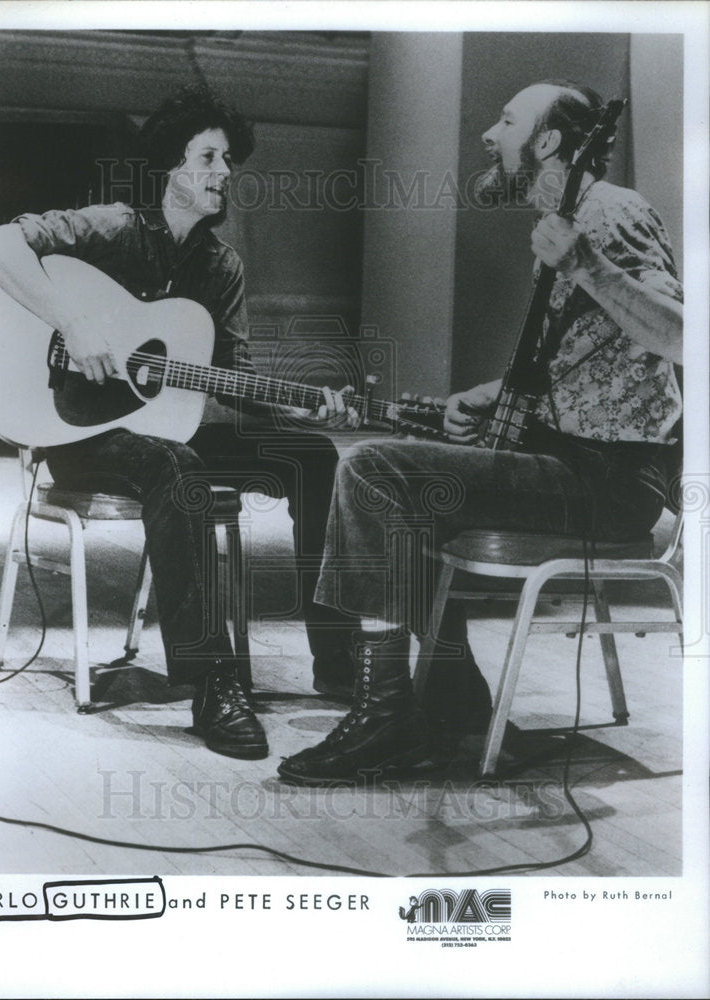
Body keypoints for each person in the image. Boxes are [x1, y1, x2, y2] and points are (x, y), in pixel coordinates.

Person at [277, 79, 683, 785]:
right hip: (568, 462)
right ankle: (450, 707)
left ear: (547, 142)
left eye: (505, 121)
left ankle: (384, 712)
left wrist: (585, 264)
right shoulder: (566, 219)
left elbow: (682, 336)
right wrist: (494, 395)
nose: (488, 137)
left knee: (374, 471)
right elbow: (594, 356)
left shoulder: (608, 213)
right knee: (411, 491)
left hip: (606, 484)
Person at [0, 86, 360, 761]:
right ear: (171, 169)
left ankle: (336, 657)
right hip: (79, 435)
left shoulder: (220, 267)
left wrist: (293, 404)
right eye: (208, 157)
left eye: (228, 160)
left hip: (163, 433)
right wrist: (73, 321)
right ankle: (213, 680)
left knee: (308, 455)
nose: (224, 172)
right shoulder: (111, 227)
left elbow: (235, 379)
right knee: (175, 466)